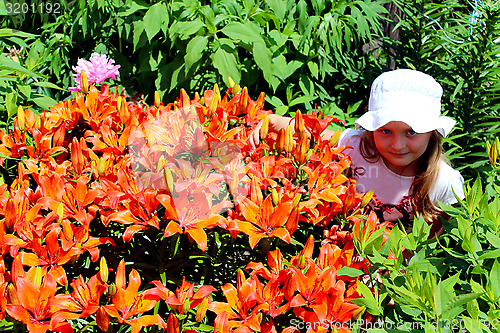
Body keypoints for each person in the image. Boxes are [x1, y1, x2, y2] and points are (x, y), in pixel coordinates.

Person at [248, 69, 465, 235]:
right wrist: (273, 121)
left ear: (432, 132)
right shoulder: (359, 146)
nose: (397, 145)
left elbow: (428, 242)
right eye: (386, 130)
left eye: (412, 132)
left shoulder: (444, 183)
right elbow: (310, 131)